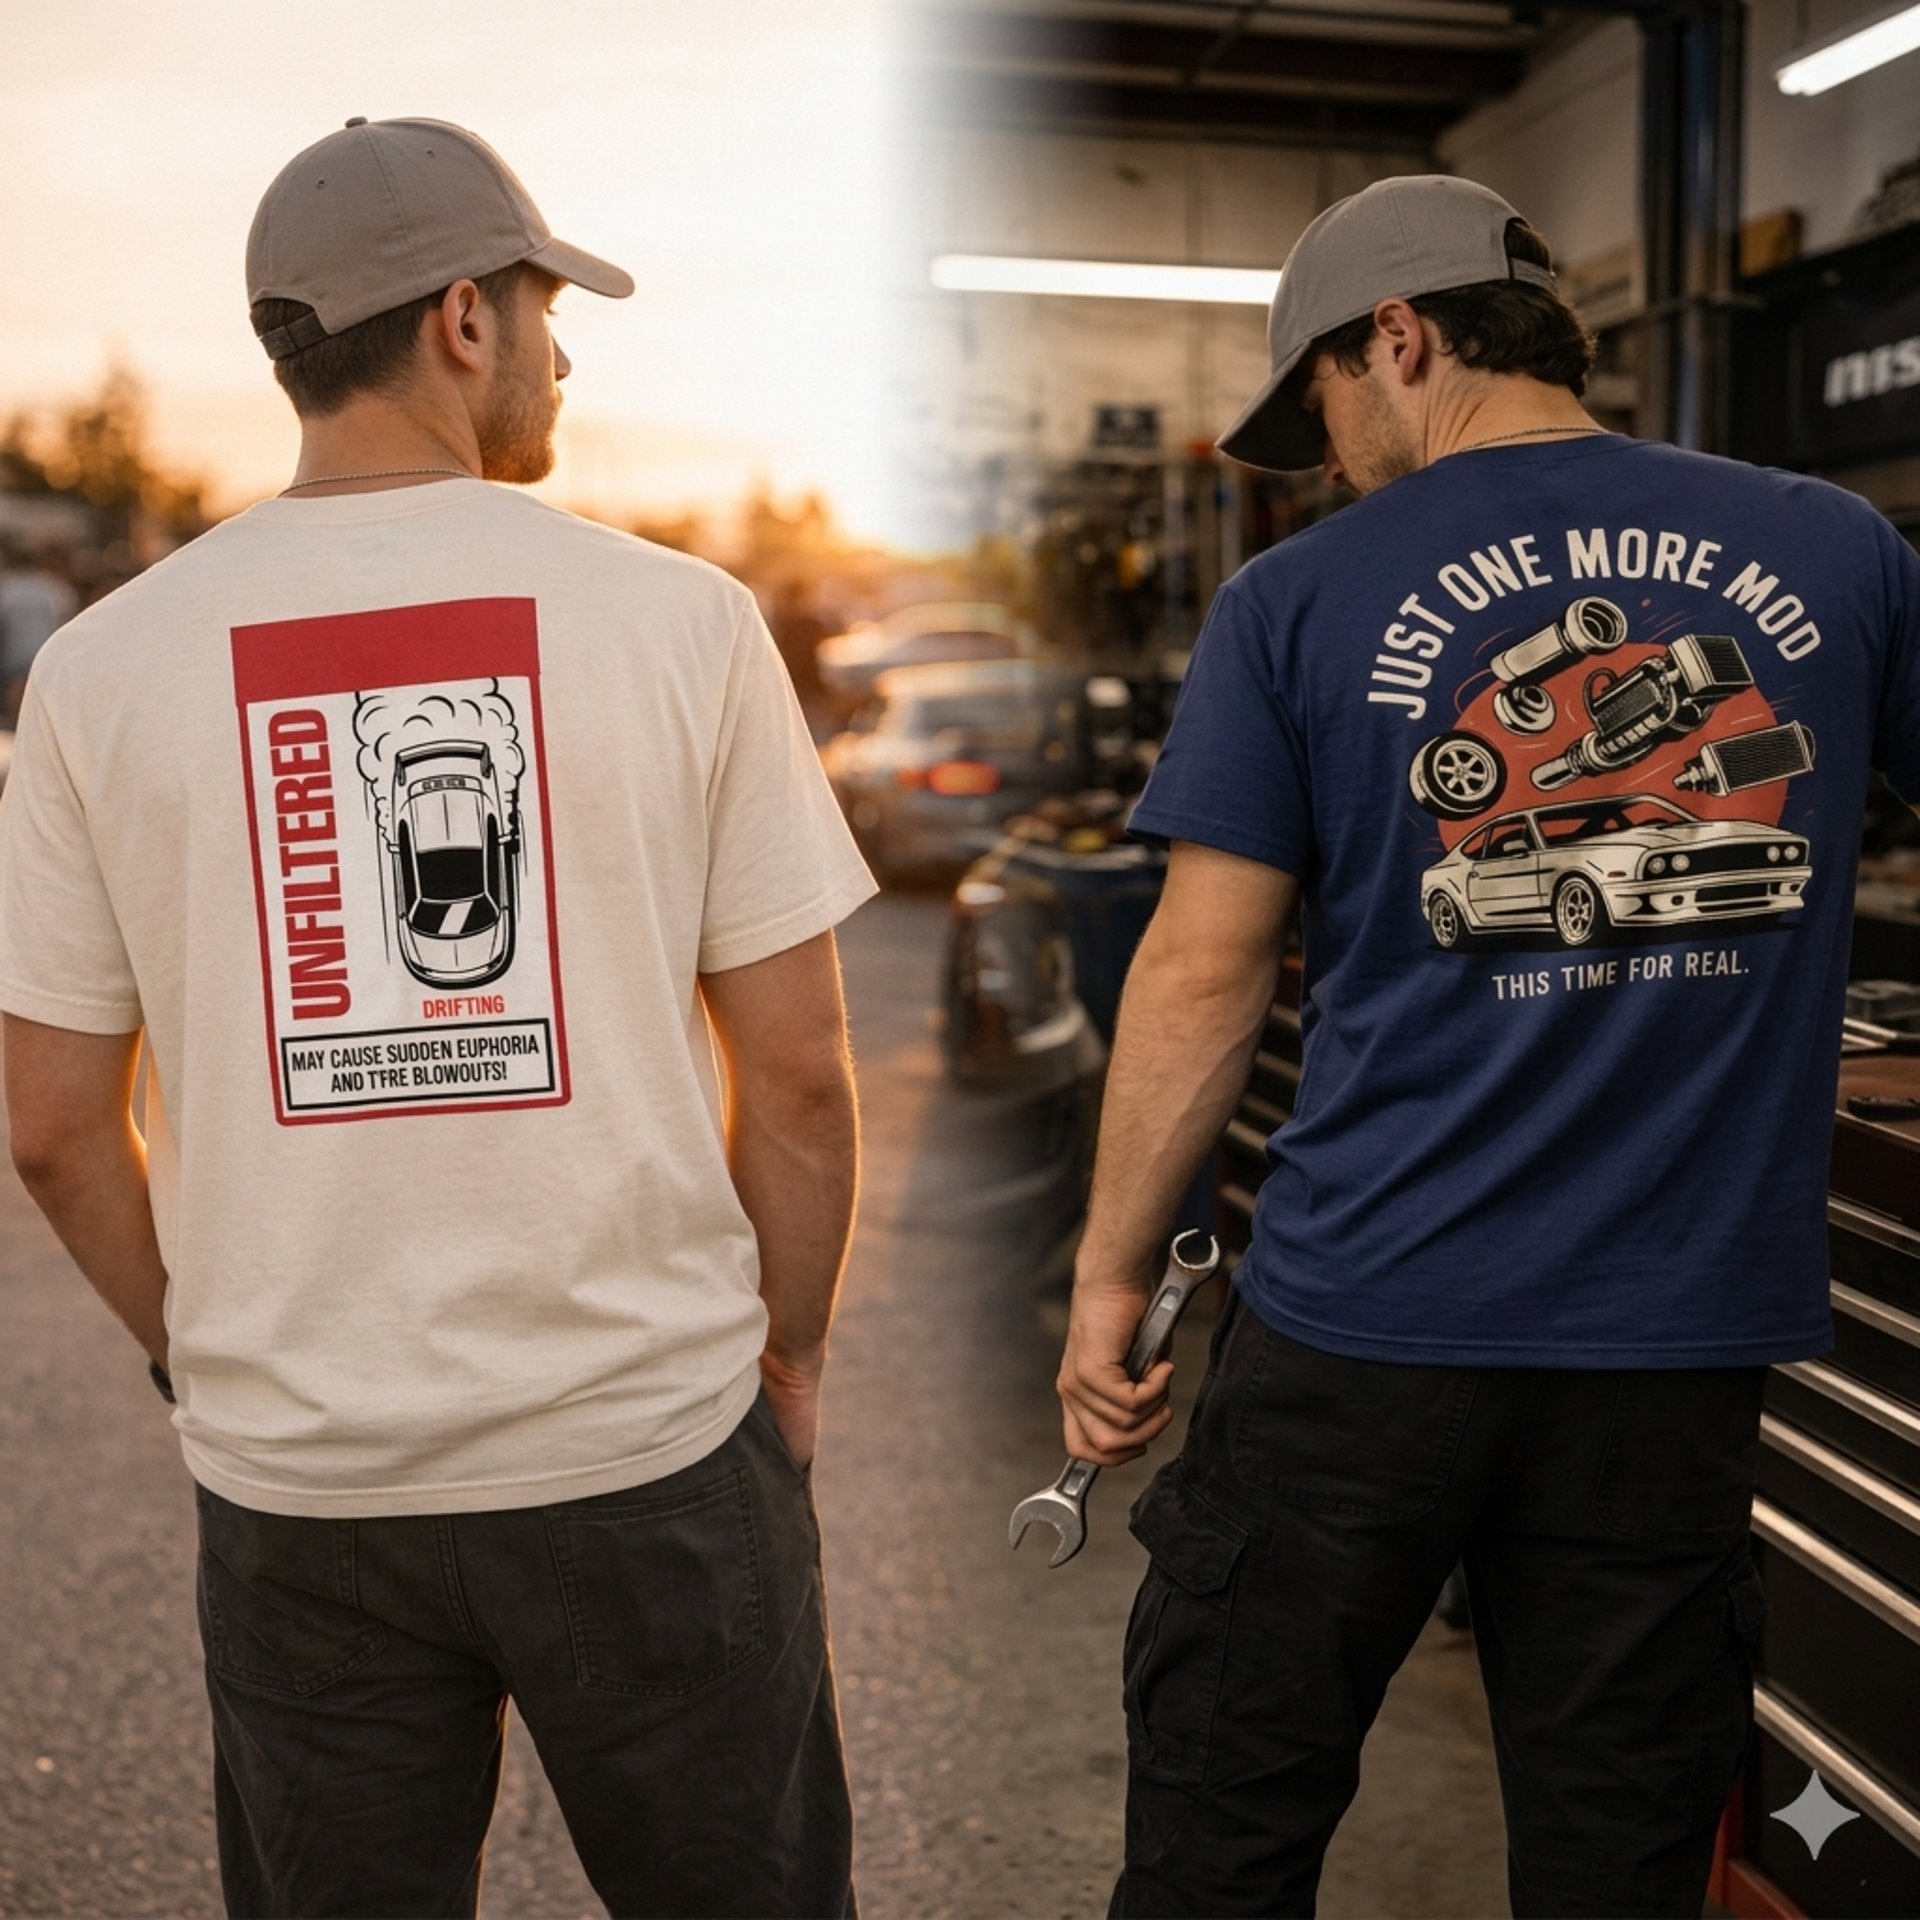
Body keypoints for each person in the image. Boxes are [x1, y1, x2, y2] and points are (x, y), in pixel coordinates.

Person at [0, 116, 875, 1918]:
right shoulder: (681, 624)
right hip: (642, 1451)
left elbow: (54, 1125)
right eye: (550, 312)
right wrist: (784, 1359)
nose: (564, 356)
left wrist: (208, 1358)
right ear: (466, 320)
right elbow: (798, 1076)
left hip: (303, 1493)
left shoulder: (97, 672)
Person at [1055, 173, 1920, 1917]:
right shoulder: (1837, 549)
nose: (1328, 459)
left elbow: (1205, 973)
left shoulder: (1295, 603)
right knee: (1621, 1853)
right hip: (1675, 1345)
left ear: (1399, 338)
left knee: (1226, 1821)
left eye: (1322, 405)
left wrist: (1108, 1279)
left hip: (1364, 1327)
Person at [0, 537, 79, 724]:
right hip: (45, 649)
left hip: (15, 652)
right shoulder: (54, 586)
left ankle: (16, 726)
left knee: (15, 691)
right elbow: (66, 619)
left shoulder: (7, 587)